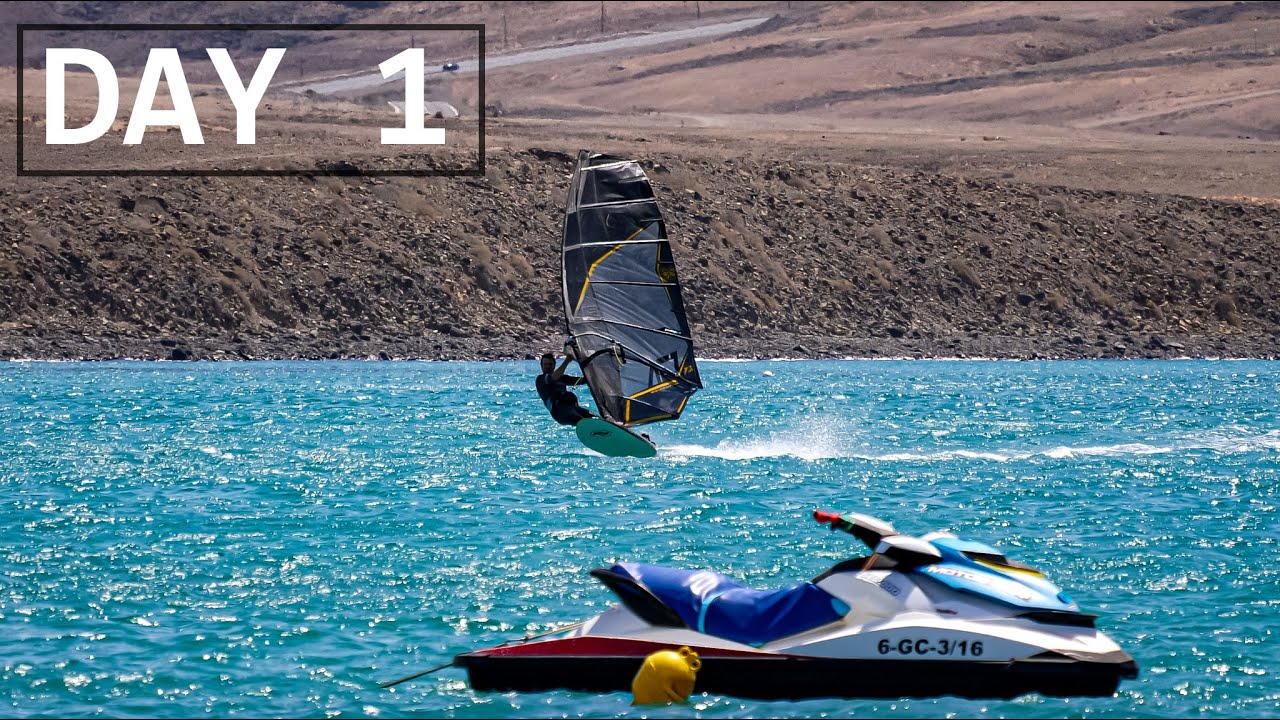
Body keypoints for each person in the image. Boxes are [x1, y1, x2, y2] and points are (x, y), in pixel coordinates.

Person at [536, 346, 595, 426]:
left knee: (595, 419)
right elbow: (553, 378)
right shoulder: (541, 379)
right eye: (545, 364)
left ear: (554, 365)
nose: (548, 366)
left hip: (573, 408)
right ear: (541, 366)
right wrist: (567, 361)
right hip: (559, 411)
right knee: (584, 422)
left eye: (550, 364)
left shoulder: (562, 378)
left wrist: (594, 373)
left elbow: (581, 380)